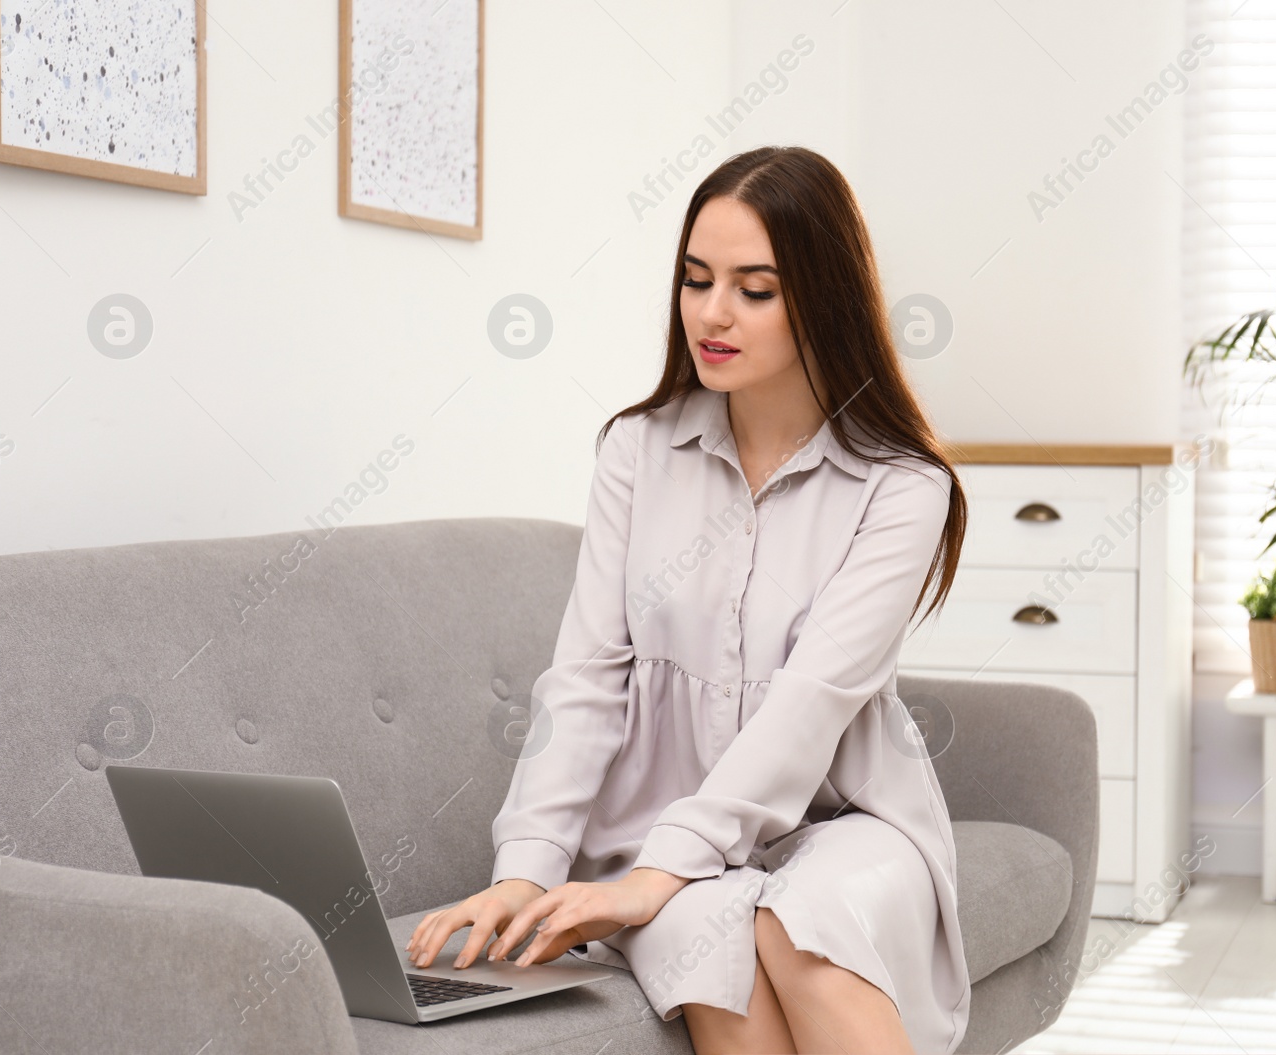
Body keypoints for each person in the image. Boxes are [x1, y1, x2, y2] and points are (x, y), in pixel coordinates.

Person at [406, 145, 972, 1054]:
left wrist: (659, 872)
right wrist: (529, 867)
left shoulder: (902, 488)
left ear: (822, 298)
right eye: (696, 279)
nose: (713, 313)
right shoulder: (636, 451)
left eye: (755, 289)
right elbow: (586, 680)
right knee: (714, 947)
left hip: (842, 825)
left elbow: (809, 705)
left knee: (800, 927)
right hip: (648, 833)